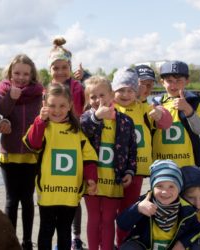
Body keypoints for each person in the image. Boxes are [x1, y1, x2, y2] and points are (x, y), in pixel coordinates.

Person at [23, 83, 98, 250]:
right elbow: (33, 144)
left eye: (62, 106)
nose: (57, 110)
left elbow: (89, 159)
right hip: (48, 193)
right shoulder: (42, 127)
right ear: (44, 105)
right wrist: (40, 121)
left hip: (70, 194)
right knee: (46, 230)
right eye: (52, 106)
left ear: (70, 105)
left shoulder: (76, 131)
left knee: (64, 232)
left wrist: (92, 179)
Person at [111, 67, 172, 247]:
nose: (125, 94)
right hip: (110, 169)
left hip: (136, 168)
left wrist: (160, 115)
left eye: (130, 90)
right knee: (109, 211)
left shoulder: (144, 107)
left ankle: (124, 243)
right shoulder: (110, 107)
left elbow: (166, 123)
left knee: (128, 208)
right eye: (121, 90)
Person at [80, 76, 137, 250]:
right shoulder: (85, 118)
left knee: (108, 220)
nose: (98, 100)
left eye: (102, 95)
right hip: (92, 181)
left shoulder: (126, 121)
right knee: (94, 218)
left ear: (112, 95)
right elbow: (83, 131)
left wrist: (129, 172)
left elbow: (132, 150)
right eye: (92, 97)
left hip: (114, 180)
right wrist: (96, 118)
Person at [0, 54, 44, 250]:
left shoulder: (39, 94)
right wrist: (10, 98)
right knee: (11, 200)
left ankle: (26, 242)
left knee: (27, 199)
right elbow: (1, 113)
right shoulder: (3, 90)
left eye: (26, 73)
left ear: (32, 74)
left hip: (32, 155)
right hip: (8, 154)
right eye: (17, 73)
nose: (21, 77)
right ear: (10, 73)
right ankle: (10, 242)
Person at [48, 36, 86, 249]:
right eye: (56, 68)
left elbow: (92, 94)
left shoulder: (78, 88)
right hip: (54, 145)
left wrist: (85, 76)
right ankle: (59, 237)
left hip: (74, 143)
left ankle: (75, 236)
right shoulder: (48, 90)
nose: (61, 72)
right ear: (50, 69)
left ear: (70, 68)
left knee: (75, 195)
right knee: (55, 194)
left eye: (65, 67)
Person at [117, 159, 200, 250]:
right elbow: (122, 224)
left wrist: (182, 243)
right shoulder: (145, 203)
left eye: (171, 186)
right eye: (159, 186)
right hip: (146, 247)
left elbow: (198, 230)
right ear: (152, 187)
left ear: (179, 188)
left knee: (196, 247)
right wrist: (137, 209)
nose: (165, 192)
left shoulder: (186, 209)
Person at [152, 60, 200, 167]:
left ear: (187, 81)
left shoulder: (193, 103)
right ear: (162, 82)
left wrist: (188, 109)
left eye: (178, 81)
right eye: (169, 80)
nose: (174, 85)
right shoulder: (155, 104)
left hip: (187, 165)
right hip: (161, 165)